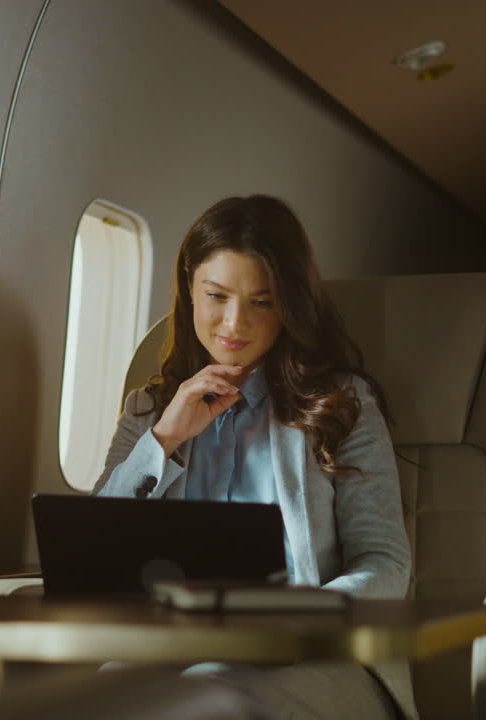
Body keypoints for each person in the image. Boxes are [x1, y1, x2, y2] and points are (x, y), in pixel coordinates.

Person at [92, 195, 415, 720]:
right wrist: (164, 438)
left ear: (289, 306)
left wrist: (300, 618)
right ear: (190, 289)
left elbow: (385, 562)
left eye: (262, 302)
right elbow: (96, 547)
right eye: (217, 296)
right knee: (95, 696)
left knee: (208, 693)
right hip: (173, 645)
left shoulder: (341, 404)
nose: (234, 323)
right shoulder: (150, 410)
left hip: (319, 655)